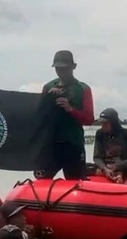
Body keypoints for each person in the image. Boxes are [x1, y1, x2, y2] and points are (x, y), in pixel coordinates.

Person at [38, 50, 95, 180]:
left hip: (73, 145)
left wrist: (71, 109)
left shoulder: (83, 89)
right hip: (51, 146)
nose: (61, 72)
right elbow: (39, 116)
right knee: (42, 180)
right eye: (58, 69)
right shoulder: (48, 87)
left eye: (65, 69)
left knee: (75, 182)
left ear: (73, 67)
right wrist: (48, 99)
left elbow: (89, 120)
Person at [93, 108, 127, 183]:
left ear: (113, 123)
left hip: (123, 166)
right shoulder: (100, 134)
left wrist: (117, 166)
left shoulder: (126, 134)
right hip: (105, 166)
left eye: (106, 123)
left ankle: (120, 175)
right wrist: (104, 169)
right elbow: (97, 157)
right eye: (102, 124)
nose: (103, 126)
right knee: (83, 167)